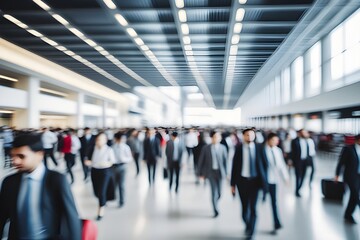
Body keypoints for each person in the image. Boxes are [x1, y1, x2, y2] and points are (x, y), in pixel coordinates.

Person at [0, 133, 81, 239]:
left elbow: (71, 218)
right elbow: (2, 215)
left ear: (39, 154)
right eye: (13, 156)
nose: (15, 161)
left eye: (21, 156)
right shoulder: (9, 182)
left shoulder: (56, 180)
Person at [230, 128, 267, 238]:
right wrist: (232, 184)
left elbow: (265, 165)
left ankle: (251, 230)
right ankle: (247, 224)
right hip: (242, 182)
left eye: (252, 135)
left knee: (254, 208)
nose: (250, 137)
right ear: (243, 136)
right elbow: (234, 167)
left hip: (255, 182)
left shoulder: (260, 148)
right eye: (247, 135)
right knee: (245, 207)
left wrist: (265, 182)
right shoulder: (238, 149)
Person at [197, 130, 227, 218]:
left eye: (218, 137)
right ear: (212, 138)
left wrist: (227, 173)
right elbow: (201, 161)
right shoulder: (206, 148)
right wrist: (200, 173)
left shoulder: (223, 148)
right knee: (214, 192)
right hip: (210, 173)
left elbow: (226, 161)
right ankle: (215, 210)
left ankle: (216, 202)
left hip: (220, 172)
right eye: (215, 137)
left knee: (220, 193)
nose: (216, 138)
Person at [263, 133, 290, 231]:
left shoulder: (278, 150)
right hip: (263, 181)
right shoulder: (262, 150)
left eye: (277, 141)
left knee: (274, 202)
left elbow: (282, 165)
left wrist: (286, 178)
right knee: (259, 201)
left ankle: (276, 222)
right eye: (274, 140)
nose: (276, 142)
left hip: (274, 180)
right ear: (269, 140)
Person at [86, 132, 116, 220]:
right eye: (98, 139)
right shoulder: (92, 148)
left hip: (105, 171)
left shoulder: (108, 150)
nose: (98, 141)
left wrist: (102, 163)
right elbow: (88, 158)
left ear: (105, 140)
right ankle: (103, 201)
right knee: (96, 191)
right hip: (94, 171)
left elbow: (112, 161)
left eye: (101, 139)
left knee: (101, 192)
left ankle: (100, 212)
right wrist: (88, 162)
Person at [335, 134, 360, 224]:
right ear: (357, 140)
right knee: (355, 194)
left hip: (359, 176)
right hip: (350, 176)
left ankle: (348, 214)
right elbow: (341, 162)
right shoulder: (348, 149)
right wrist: (337, 174)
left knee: (353, 196)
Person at [291, 129, 316, 197]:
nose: (304, 134)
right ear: (300, 133)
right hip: (298, 161)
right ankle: (296, 190)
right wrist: (292, 161)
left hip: (305, 161)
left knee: (303, 175)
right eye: (303, 132)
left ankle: (299, 188)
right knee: (297, 176)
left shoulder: (307, 141)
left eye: (305, 132)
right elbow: (293, 152)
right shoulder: (295, 141)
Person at [112, 132, 133, 207]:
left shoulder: (126, 147)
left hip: (123, 167)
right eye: (122, 138)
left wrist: (124, 159)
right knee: (114, 184)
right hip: (114, 167)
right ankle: (113, 198)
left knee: (121, 184)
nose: (124, 140)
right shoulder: (113, 147)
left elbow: (130, 158)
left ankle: (122, 201)